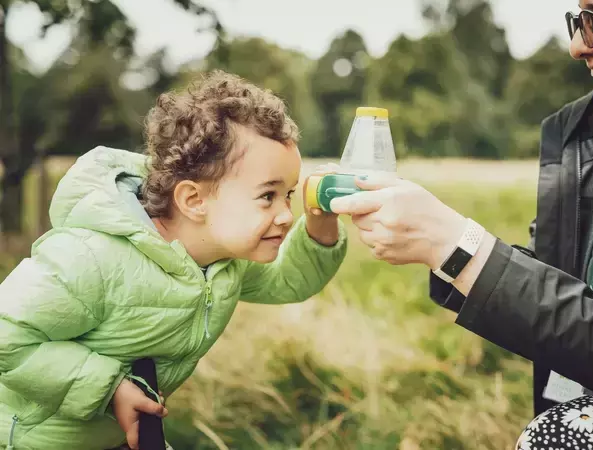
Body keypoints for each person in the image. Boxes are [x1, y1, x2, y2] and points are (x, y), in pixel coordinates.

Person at [330, 0, 593, 449]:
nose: (577, 46)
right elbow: (567, 287)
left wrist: (455, 245)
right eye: (577, 21)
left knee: (564, 437)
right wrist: (444, 247)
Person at [0, 70, 347, 449]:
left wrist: (320, 220)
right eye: (267, 196)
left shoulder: (222, 262)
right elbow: (7, 336)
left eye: (290, 195)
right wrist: (110, 389)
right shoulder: (93, 258)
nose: (285, 215)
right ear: (194, 200)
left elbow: (289, 280)